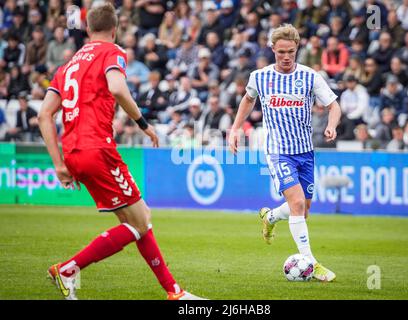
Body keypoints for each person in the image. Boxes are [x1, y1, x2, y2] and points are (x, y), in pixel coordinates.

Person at [38, 3, 204, 301]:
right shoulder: (111, 51)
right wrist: (142, 123)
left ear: (88, 29)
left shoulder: (68, 65)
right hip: (97, 147)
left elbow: (43, 115)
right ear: (115, 30)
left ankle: (174, 291)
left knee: (136, 222)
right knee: (141, 221)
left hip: (74, 151)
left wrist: (58, 164)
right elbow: (116, 87)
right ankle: (67, 269)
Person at [228, 24, 341, 282]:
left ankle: (270, 217)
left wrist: (332, 125)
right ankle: (311, 264)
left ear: (297, 49)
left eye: (290, 51)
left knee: (303, 209)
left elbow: (334, 105)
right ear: (272, 50)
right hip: (279, 151)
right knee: (298, 204)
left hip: (305, 152)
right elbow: (248, 99)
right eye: (281, 52)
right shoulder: (259, 77)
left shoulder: (310, 77)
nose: (286, 57)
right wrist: (235, 128)